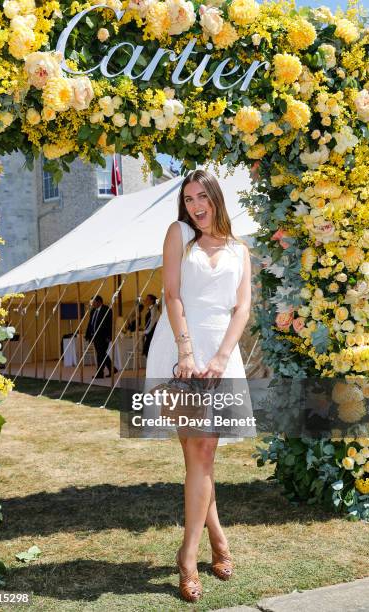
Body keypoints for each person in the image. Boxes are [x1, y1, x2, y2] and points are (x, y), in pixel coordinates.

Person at [145, 169, 252, 602]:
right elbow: (171, 294)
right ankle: (196, 553)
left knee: (202, 454)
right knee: (198, 451)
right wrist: (186, 353)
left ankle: (201, 547)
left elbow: (242, 309)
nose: (194, 205)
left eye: (201, 196)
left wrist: (223, 356)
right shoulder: (178, 235)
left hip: (222, 352)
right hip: (179, 348)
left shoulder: (240, 250)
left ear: (216, 198)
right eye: (188, 198)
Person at [85, 295, 118, 378]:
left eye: (93, 302)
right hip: (94, 336)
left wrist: (109, 336)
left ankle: (100, 373)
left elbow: (111, 324)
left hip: (103, 336)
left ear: (99, 302)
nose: (92, 304)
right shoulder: (93, 311)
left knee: (100, 354)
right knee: (101, 354)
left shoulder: (107, 310)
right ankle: (112, 369)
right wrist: (88, 334)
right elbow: (91, 323)